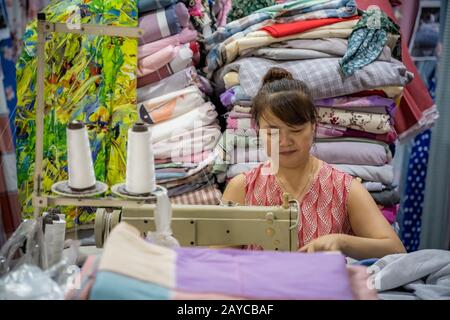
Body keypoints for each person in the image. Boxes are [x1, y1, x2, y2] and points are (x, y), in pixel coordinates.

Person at [223, 67, 406, 260]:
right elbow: (214, 258)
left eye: (296, 130)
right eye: (272, 132)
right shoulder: (242, 188)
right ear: (257, 129)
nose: (284, 141)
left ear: (313, 126)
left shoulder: (345, 189)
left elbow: (395, 249)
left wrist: (342, 242)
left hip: (323, 289)